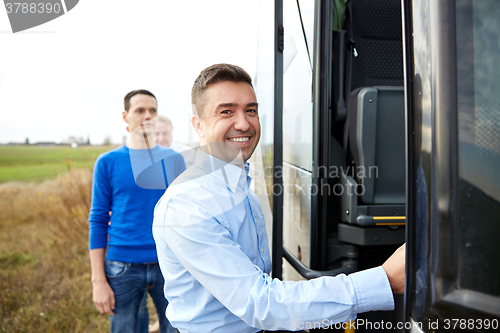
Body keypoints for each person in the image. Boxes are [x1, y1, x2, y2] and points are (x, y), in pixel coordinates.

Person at [152, 64, 405, 332]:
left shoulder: (242, 189)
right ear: (198, 126)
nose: (243, 123)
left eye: (251, 110)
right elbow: (260, 302)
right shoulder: (187, 206)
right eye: (226, 111)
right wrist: (384, 280)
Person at [89, 89, 184, 333]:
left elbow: (186, 216)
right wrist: (98, 280)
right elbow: (98, 220)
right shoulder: (107, 162)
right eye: (140, 110)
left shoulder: (173, 159)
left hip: (169, 264)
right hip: (122, 267)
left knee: (177, 328)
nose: (147, 117)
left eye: (153, 111)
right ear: (125, 116)